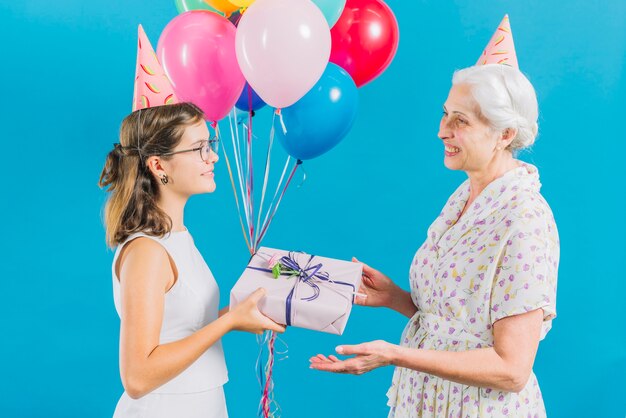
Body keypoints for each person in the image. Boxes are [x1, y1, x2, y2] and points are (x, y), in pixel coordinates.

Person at [310, 17, 560, 418]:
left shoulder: (524, 219)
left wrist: (396, 354)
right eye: (445, 114)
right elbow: (460, 327)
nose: (442, 130)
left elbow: (512, 368)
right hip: (431, 402)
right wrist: (397, 299)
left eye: (461, 120)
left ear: (505, 135)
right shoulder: (464, 196)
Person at [99, 26, 284, 418]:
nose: (213, 158)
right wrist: (229, 322)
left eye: (211, 145)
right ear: (159, 166)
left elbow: (181, 330)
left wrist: (239, 315)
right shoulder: (147, 252)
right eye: (200, 148)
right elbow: (138, 375)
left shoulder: (176, 236)